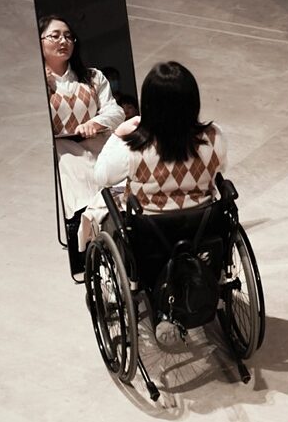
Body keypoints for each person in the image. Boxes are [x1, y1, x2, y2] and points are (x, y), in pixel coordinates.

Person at [80, 61, 227, 246]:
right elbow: (221, 167)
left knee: (100, 205)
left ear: (149, 104)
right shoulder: (214, 136)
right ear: (193, 100)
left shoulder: (134, 145)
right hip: (203, 227)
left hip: (150, 236)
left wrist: (118, 134)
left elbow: (102, 177)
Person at [39, 15, 124, 274]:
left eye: (68, 35)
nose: (63, 40)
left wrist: (96, 122)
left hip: (100, 146)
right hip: (66, 154)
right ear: (40, 41)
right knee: (80, 197)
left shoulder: (92, 76)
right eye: (55, 35)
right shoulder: (38, 84)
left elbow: (116, 111)